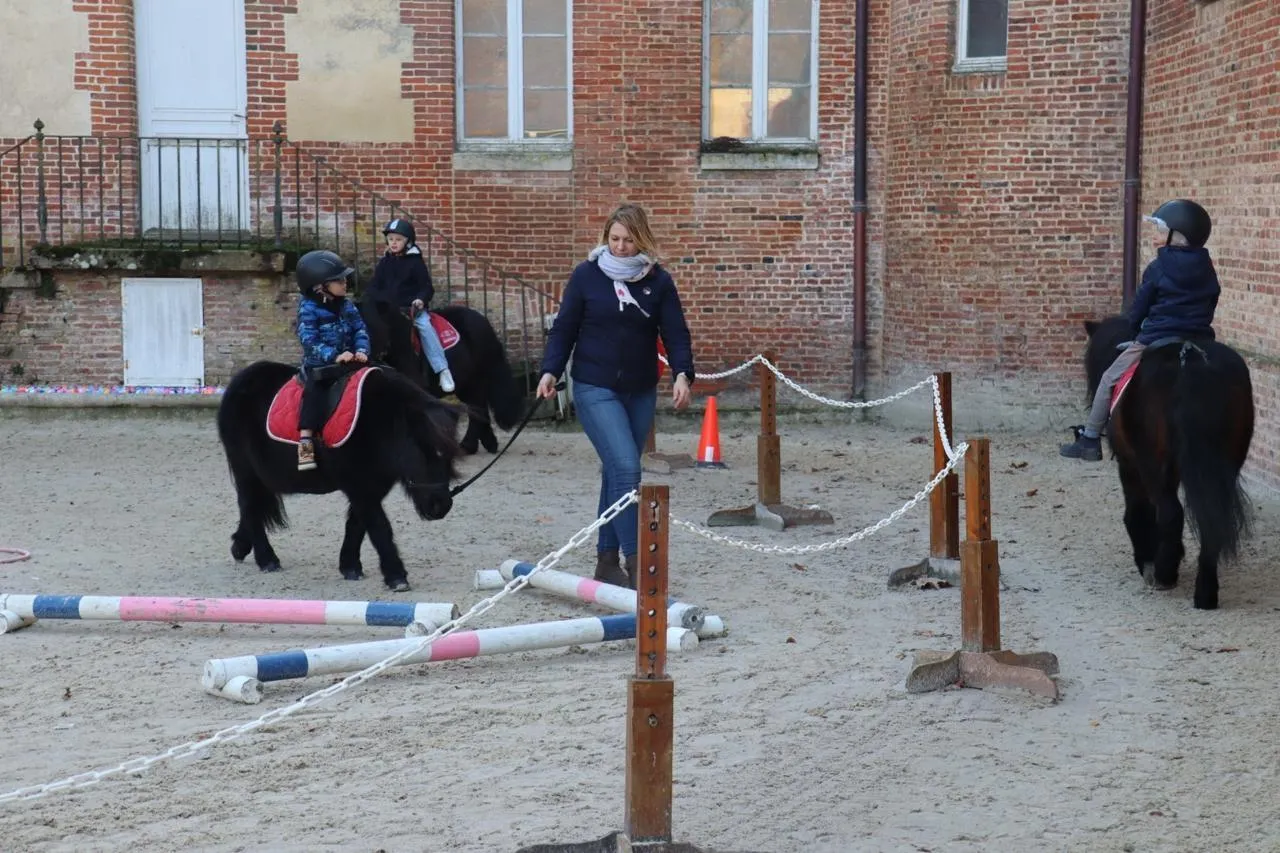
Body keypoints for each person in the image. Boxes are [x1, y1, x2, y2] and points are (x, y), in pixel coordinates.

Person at [536, 203, 695, 588]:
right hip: (594, 385)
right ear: (606, 237)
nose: (620, 247)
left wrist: (682, 374)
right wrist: (550, 369)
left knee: (615, 471)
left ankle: (606, 561)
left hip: (640, 388)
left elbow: (675, 331)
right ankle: (638, 563)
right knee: (626, 468)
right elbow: (564, 328)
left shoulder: (658, 281)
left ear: (642, 240)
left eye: (628, 240)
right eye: (614, 239)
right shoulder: (586, 275)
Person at [1060, 199, 1219, 462]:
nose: (1156, 235)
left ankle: (1089, 439)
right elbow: (1212, 301)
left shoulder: (1159, 267)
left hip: (1156, 337)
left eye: (1161, 230)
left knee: (1109, 379)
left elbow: (1140, 306)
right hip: (1199, 338)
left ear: (1177, 235)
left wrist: (1135, 331)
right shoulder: (1208, 268)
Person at [295, 249, 371, 471]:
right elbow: (309, 340)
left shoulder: (346, 305)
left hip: (351, 361)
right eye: (339, 280)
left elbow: (360, 329)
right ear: (320, 286)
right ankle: (306, 440)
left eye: (344, 279)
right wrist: (334, 355)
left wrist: (361, 349)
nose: (345, 283)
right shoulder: (308, 308)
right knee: (315, 392)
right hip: (322, 365)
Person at [364, 218, 455, 393]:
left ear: (408, 241)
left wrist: (420, 299)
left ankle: (442, 369)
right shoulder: (385, 263)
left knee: (426, 328)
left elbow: (426, 287)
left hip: (411, 310)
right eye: (391, 239)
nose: (394, 243)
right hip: (388, 310)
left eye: (398, 239)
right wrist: (379, 299)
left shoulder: (415, 262)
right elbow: (374, 286)